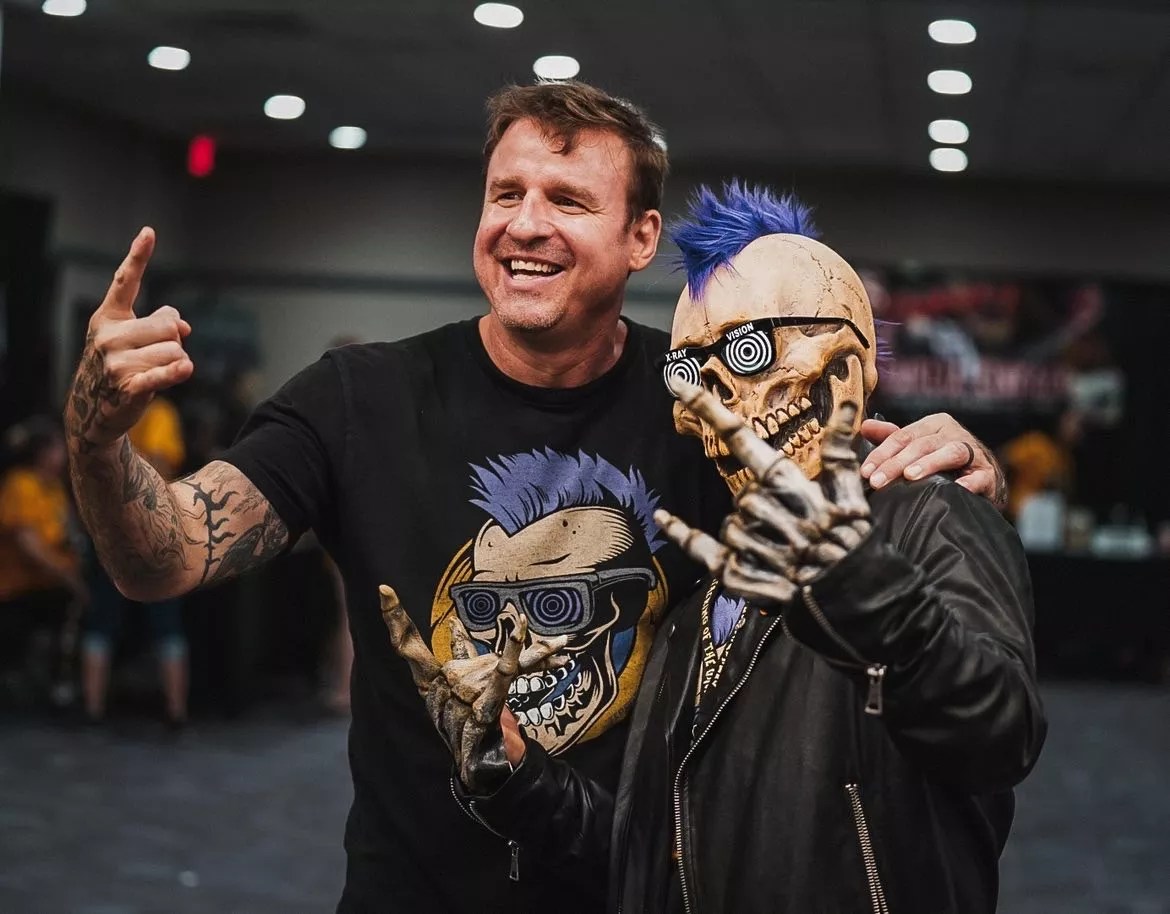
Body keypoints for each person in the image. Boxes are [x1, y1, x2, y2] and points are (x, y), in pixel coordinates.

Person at [63, 82, 1005, 912]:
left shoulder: (707, 403)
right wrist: (97, 441)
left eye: (568, 199)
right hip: (411, 894)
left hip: (634, 886)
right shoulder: (359, 399)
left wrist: (962, 465)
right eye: (505, 193)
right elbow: (164, 558)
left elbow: (861, 512)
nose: (524, 223)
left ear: (641, 237)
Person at [400, 184, 1046, 913]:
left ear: (843, 368)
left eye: (749, 352)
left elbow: (999, 733)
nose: (710, 405)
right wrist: (516, 777)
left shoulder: (928, 516)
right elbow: (657, 855)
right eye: (689, 374)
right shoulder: (695, 610)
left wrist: (864, 593)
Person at [80, 395, 190, 726]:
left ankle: (94, 710)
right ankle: (176, 713)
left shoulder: (103, 413)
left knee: (104, 620)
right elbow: (161, 466)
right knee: (163, 621)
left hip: (112, 528)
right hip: (148, 529)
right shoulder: (159, 414)